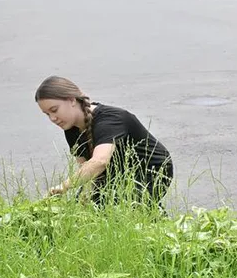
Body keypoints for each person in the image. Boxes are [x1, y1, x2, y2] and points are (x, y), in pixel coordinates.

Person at [35, 76, 174, 210]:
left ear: (72, 100)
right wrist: (84, 200)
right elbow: (87, 169)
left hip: (150, 171)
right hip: (115, 172)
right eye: (47, 114)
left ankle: (154, 218)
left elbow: (99, 162)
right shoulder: (71, 128)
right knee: (86, 210)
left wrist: (63, 187)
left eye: (54, 110)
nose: (52, 118)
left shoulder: (110, 119)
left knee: (120, 210)